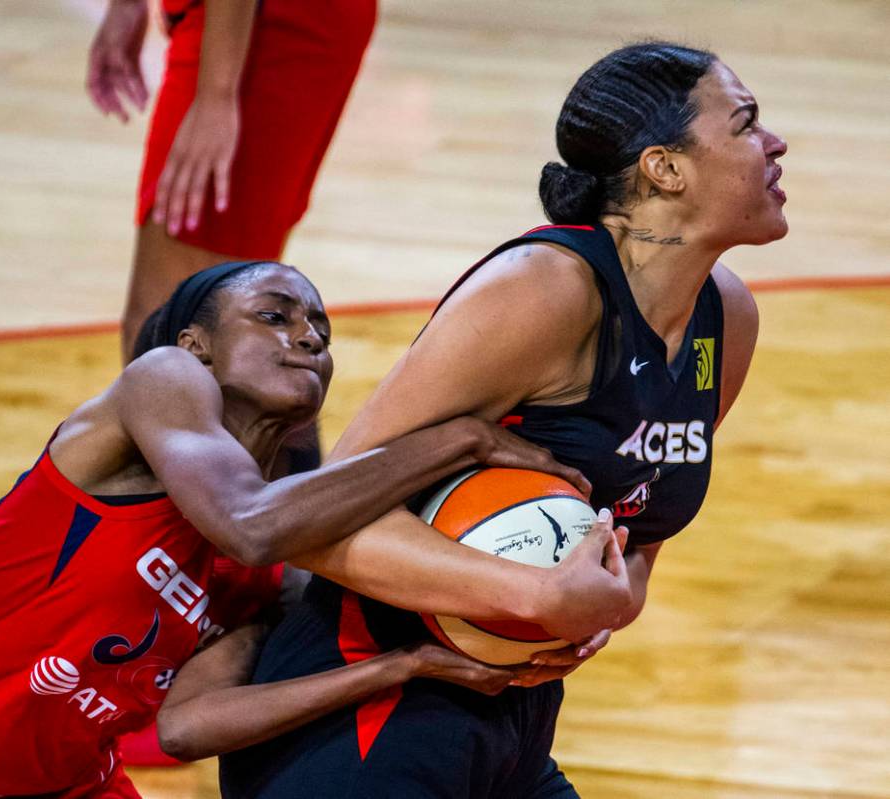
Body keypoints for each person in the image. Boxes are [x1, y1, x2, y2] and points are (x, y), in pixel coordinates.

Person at [218, 42, 786, 798]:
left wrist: (611, 600)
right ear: (666, 168)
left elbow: (639, 522)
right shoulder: (546, 292)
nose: (774, 142)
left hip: (514, 722)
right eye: (746, 123)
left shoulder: (727, 316)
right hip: (363, 714)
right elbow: (310, 520)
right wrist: (530, 595)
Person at [0, 261, 630, 799]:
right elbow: (245, 523)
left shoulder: (284, 557)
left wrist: (405, 665)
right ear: (197, 341)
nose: (307, 336)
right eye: (274, 315)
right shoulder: (163, 381)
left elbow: (188, 726)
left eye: (319, 327)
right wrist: (459, 437)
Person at [86, 0, 377, 364]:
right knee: (192, 330)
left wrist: (216, 95)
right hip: (250, 23)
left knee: (170, 336)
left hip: (256, 26)